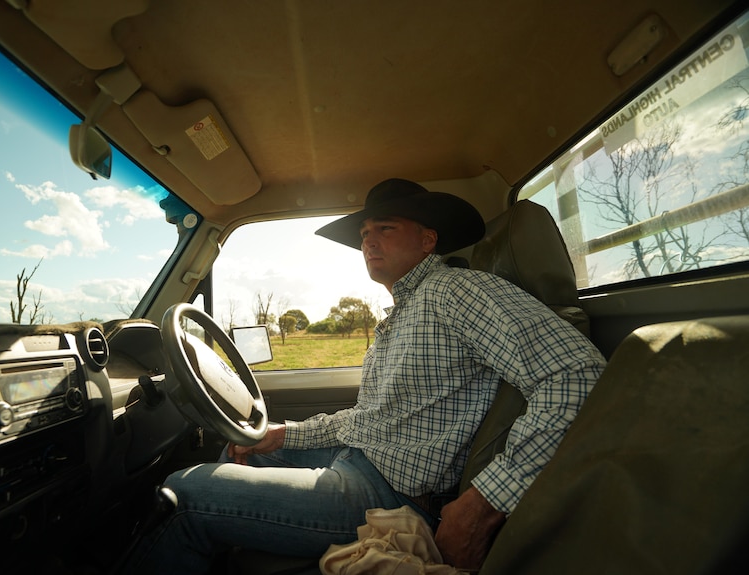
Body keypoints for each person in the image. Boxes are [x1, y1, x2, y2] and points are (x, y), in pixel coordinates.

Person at [126, 178, 606, 573]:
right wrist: (284, 435)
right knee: (236, 453)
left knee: (185, 495)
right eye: (364, 233)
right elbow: (369, 421)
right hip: (360, 460)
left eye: (386, 228)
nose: (368, 241)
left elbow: (578, 375)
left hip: (392, 495)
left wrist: (485, 501)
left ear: (427, 239)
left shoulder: (455, 292)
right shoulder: (404, 312)